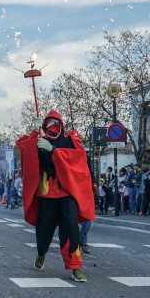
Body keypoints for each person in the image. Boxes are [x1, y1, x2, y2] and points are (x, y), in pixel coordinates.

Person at [17, 111, 95, 283]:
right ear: (44, 124)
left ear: (61, 123)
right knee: (44, 228)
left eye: (55, 122)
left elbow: (78, 159)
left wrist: (53, 150)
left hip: (67, 191)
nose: (52, 125)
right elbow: (26, 155)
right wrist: (33, 134)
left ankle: (76, 267)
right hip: (47, 191)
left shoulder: (70, 140)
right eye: (48, 122)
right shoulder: (38, 140)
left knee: (70, 228)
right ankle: (41, 253)